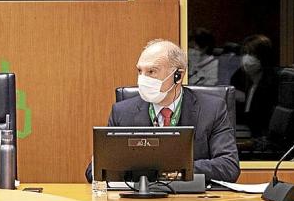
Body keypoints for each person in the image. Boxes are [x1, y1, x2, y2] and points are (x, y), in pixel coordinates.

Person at [86, 39, 239, 183]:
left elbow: (228, 166)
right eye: (140, 71)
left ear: (178, 76)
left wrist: (175, 171)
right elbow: (95, 171)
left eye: (151, 71)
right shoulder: (122, 112)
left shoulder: (212, 109)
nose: (142, 79)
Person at [230, 34, 279, 137]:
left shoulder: (273, 83)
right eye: (245, 53)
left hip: (262, 138)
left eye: (252, 54)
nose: (247, 58)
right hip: (248, 132)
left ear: (263, 57)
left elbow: (262, 120)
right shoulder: (242, 78)